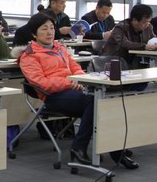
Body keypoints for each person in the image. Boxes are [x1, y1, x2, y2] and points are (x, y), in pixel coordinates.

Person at [19, 12, 138, 169]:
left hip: (74, 89)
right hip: (53, 96)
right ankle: (80, 148)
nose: (49, 32)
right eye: (44, 29)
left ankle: (114, 150)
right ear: (34, 34)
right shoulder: (29, 56)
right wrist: (69, 82)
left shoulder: (60, 47)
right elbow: (42, 83)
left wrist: (81, 79)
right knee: (94, 101)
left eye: (52, 28)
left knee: (106, 101)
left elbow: (75, 67)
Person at [101, 4, 157, 69]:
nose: (147, 25)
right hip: (114, 62)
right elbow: (125, 44)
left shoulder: (148, 28)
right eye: (144, 22)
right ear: (134, 20)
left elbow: (152, 39)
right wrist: (145, 46)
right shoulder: (120, 27)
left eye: (148, 22)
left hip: (135, 61)